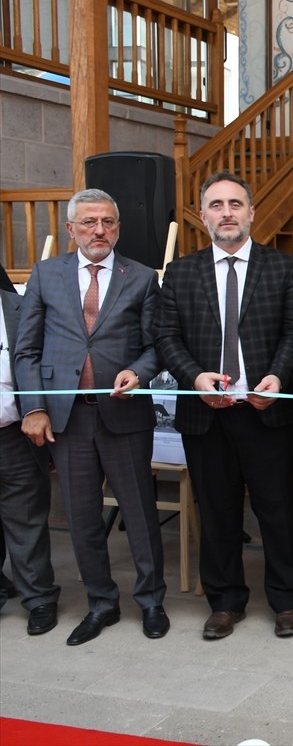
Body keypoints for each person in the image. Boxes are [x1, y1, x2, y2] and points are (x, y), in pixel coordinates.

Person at [155, 171, 293, 640]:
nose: (227, 213)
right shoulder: (181, 272)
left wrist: (277, 378)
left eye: (235, 204)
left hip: (269, 413)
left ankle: (286, 601)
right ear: (202, 217)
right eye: (217, 205)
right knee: (217, 512)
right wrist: (194, 378)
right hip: (207, 414)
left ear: (251, 213)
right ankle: (224, 602)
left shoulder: (282, 267)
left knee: (278, 511)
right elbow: (165, 336)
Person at [15, 188, 168, 644]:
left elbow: (156, 346)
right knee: (81, 518)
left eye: (107, 222)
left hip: (124, 415)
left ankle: (151, 601)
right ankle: (101, 604)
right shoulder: (45, 274)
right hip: (67, 419)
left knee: (139, 512)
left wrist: (136, 372)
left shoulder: (140, 277)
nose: (98, 230)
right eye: (88, 222)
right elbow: (26, 348)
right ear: (71, 229)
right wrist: (36, 407)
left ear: (118, 227)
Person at [1, 285, 60, 635]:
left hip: (13, 434)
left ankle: (38, 599)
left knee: (26, 521)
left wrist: (38, 410)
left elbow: (40, 360)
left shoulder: (20, 306)